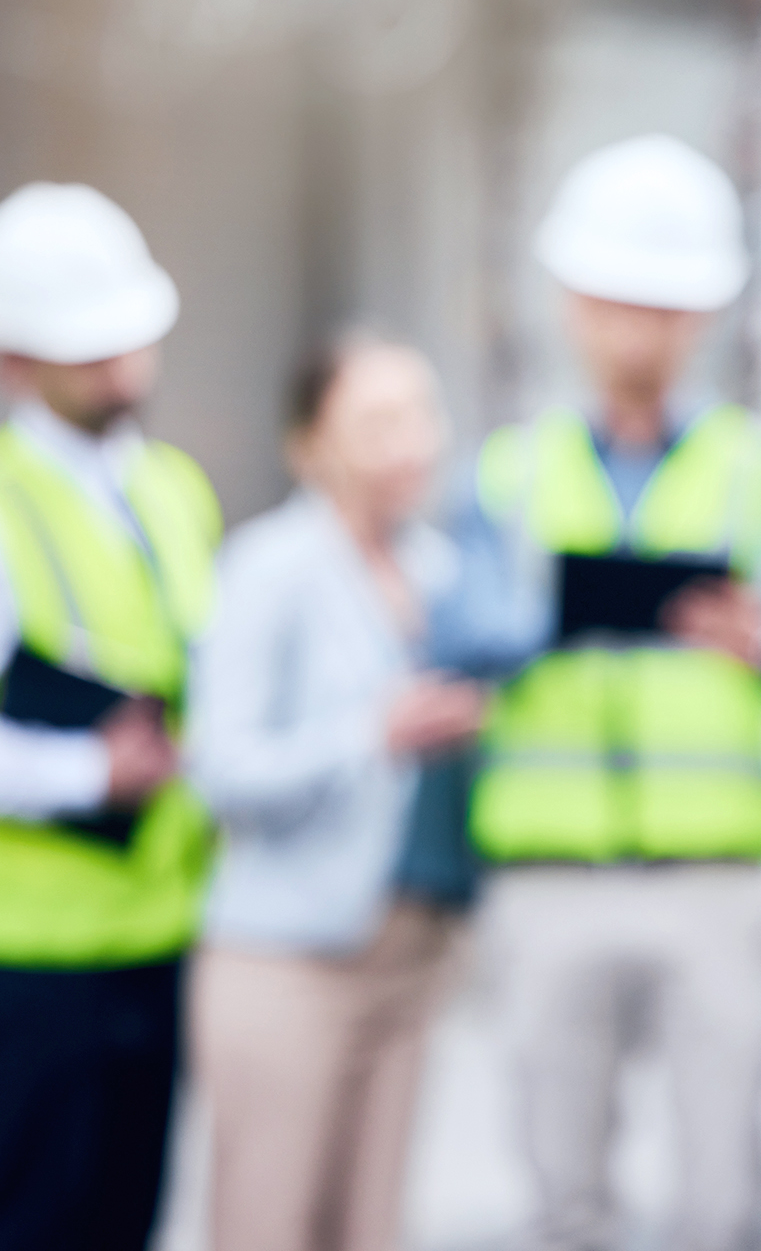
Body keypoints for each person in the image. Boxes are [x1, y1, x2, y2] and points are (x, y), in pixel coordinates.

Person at [444, 134, 761, 1251]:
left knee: (727, 1196)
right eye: (621, 303)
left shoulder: (759, 469)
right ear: (573, 305)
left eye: (667, 307)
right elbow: (452, 634)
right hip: (550, 878)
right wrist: (543, 616)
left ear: (702, 317)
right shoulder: (507, 473)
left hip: (711, 878)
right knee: (563, 1196)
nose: (642, 330)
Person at [0, 183, 218, 1251]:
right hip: (39, 950)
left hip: (160, 926)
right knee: (38, 1221)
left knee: (124, 1219)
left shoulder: (174, 490)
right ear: (10, 362)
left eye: (128, 338)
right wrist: (83, 775)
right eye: (86, 348)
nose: (120, 365)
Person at [185, 333, 485, 1251]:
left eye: (422, 415)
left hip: (411, 948)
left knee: (370, 1227)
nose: (413, 442)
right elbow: (222, 769)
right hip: (289, 957)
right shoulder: (268, 568)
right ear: (311, 444)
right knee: (268, 1223)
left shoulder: (445, 573)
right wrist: (372, 735)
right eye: (379, 421)